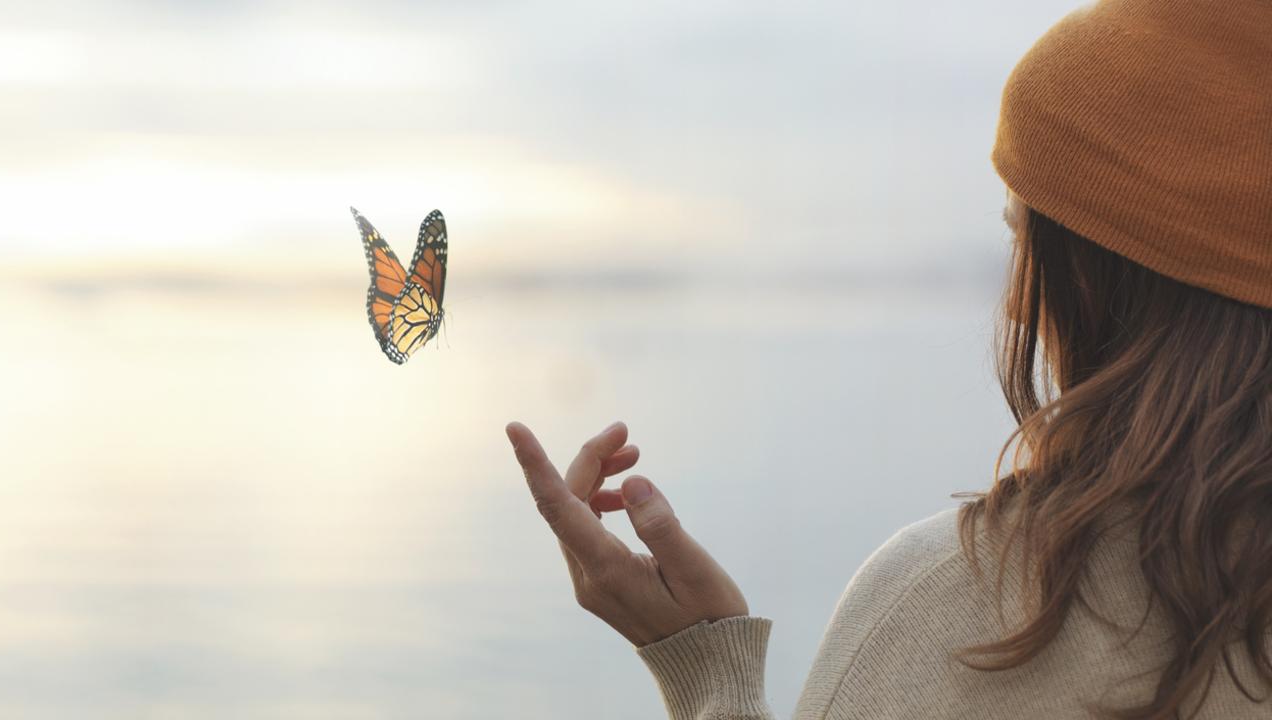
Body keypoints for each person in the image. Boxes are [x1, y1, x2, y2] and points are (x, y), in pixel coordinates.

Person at [504, 0, 1272, 717]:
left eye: (1024, 245)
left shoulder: (970, 610)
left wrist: (706, 669)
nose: (1015, 306)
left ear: (1096, 275)